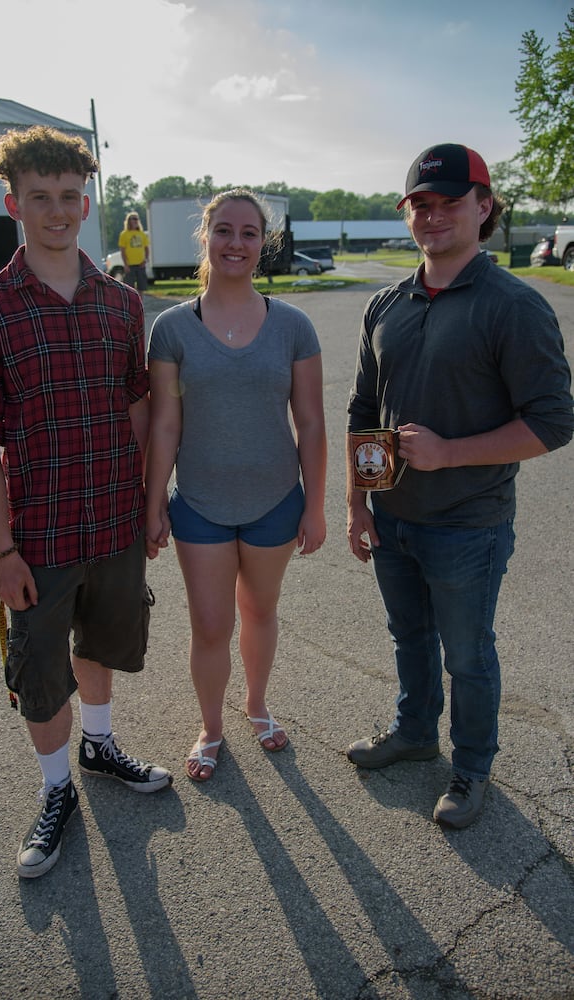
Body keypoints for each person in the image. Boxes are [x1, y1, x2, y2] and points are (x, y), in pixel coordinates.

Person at [0, 124, 172, 879]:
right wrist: (2, 551)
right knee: (40, 666)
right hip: (37, 529)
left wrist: (151, 502)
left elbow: (139, 409)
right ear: (14, 203)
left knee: (106, 641)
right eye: (40, 197)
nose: (56, 210)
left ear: (87, 204)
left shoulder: (120, 303)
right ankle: (55, 792)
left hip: (113, 513)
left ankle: (101, 744)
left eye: (69, 197)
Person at [345, 143, 573, 828]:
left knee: (468, 655)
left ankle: (471, 766)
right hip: (394, 519)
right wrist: (358, 502)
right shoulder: (386, 303)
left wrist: (451, 454)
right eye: (421, 203)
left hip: (468, 524)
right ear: (406, 213)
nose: (434, 214)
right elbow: (363, 410)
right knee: (408, 638)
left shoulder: (513, 306)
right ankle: (415, 734)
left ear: (484, 208)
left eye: (450, 201)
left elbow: (554, 422)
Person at [146, 189, 327, 782]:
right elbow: (165, 423)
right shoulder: (172, 328)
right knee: (210, 625)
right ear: (206, 236)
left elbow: (312, 421)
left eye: (250, 233)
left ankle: (255, 705)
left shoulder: (293, 326)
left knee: (260, 610)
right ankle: (211, 727)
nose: (236, 243)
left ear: (263, 244)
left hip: (276, 502)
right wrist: (155, 504)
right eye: (224, 230)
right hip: (199, 506)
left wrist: (316, 507)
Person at [118, 211, 150, 299]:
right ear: (129, 221)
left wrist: (145, 260)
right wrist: (125, 264)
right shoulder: (124, 234)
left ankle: (140, 305)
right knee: (129, 287)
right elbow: (123, 251)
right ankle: (131, 305)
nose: (136, 221)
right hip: (130, 265)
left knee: (141, 287)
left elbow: (146, 248)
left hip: (140, 264)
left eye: (137, 219)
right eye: (134, 219)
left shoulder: (142, 234)